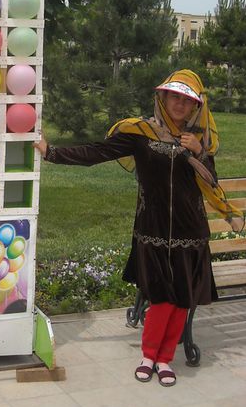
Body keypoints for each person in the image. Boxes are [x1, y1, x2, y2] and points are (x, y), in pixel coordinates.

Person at [35, 69, 244, 387]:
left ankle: (165, 359)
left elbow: (209, 182)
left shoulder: (200, 140)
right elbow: (97, 152)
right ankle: (149, 355)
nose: (179, 105)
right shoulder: (140, 132)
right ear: (163, 97)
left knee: (182, 298)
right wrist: (52, 152)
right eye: (174, 96)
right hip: (153, 229)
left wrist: (200, 153)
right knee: (160, 296)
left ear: (194, 107)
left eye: (186, 101)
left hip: (191, 232)